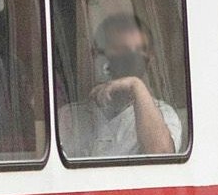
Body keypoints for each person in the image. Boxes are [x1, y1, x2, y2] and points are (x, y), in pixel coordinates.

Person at [57, 9, 186, 159]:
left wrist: (135, 85)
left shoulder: (164, 115)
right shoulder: (69, 117)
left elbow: (161, 154)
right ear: (98, 55)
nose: (130, 59)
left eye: (138, 51)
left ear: (149, 59)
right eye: (121, 50)